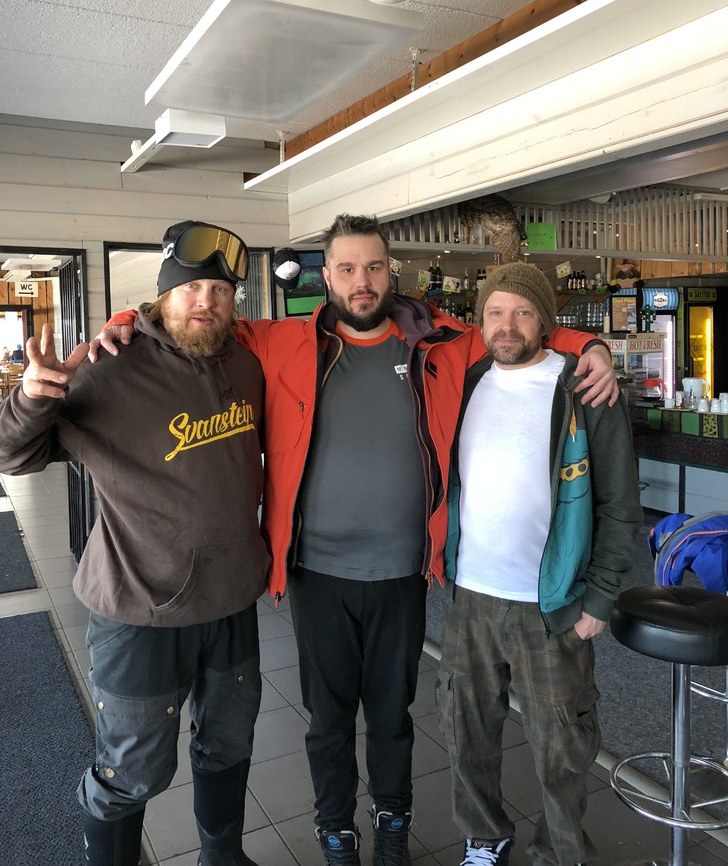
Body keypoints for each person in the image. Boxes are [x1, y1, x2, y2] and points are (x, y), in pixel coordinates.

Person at [93, 214, 618, 866]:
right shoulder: (281, 340)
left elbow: (512, 329)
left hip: (401, 570)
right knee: (329, 720)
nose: (361, 281)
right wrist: (128, 321)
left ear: (389, 271)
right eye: (346, 268)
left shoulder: (438, 343)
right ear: (327, 277)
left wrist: (591, 343)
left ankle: (392, 822)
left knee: (393, 716)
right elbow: (192, 322)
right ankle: (335, 829)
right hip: (317, 572)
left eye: (373, 267)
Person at [0, 221, 270, 866]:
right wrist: (31, 397)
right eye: (191, 288)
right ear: (163, 293)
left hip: (232, 601)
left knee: (228, 746)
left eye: (220, 289)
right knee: (133, 772)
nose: (206, 301)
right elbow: (13, 455)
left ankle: (222, 859)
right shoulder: (108, 369)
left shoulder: (246, 361)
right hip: (139, 610)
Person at [434, 262, 642, 866]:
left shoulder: (582, 389)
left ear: (544, 320)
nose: (507, 325)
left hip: (551, 604)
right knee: (466, 732)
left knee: (563, 747)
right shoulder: (465, 384)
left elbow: (620, 503)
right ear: (480, 321)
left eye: (522, 312)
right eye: (495, 312)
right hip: (469, 597)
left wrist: (599, 599)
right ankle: (484, 837)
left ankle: (561, 852)